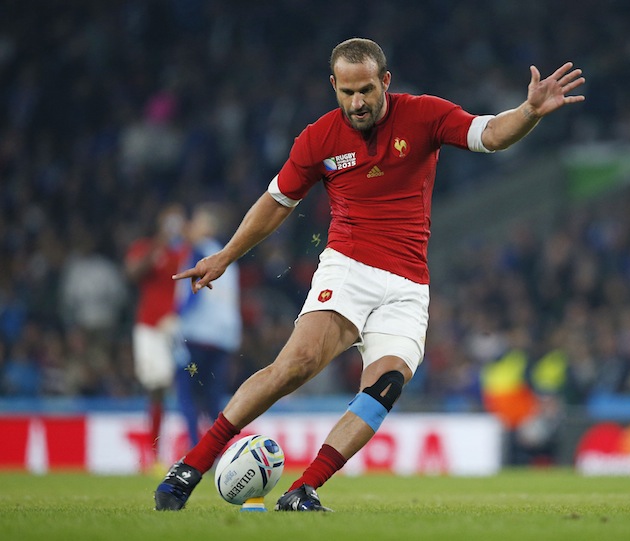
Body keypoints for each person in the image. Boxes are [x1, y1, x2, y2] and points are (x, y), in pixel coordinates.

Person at [154, 37, 584, 511]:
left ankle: (304, 490)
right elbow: (276, 203)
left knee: (386, 385)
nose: (357, 103)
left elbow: (490, 134)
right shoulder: (317, 138)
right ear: (334, 86)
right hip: (349, 266)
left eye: (366, 91)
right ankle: (188, 468)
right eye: (347, 92)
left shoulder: (424, 114)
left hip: (408, 286)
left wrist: (528, 112)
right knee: (294, 366)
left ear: (386, 82)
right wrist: (227, 255)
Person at [125, 203, 188, 470]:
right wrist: (158, 246)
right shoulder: (145, 247)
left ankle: (195, 447)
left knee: (191, 384)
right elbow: (132, 274)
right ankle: (154, 453)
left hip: (180, 327)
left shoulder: (186, 252)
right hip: (150, 327)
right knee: (157, 386)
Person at [174, 204, 242, 448]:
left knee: (186, 393)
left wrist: (175, 318)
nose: (190, 226)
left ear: (208, 228)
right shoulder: (229, 261)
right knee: (213, 400)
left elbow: (193, 292)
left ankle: (194, 448)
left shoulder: (198, 254)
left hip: (196, 337)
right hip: (222, 341)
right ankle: (217, 452)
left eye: (197, 221)